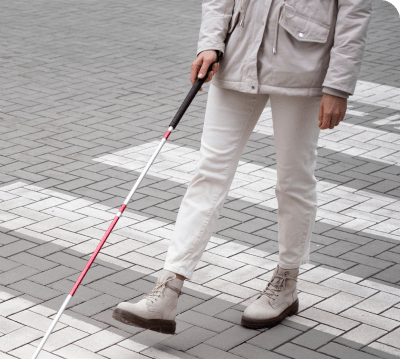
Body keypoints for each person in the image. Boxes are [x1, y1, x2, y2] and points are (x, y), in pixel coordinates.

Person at [112, 0, 373, 334]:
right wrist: (210, 42)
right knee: (208, 172)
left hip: (303, 66)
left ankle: (286, 281)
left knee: (293, 178)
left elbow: (354, 13)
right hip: (238, 56)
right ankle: (168, 289)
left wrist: (338, 85)